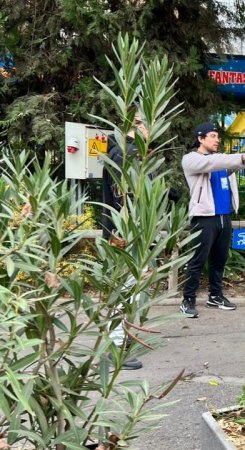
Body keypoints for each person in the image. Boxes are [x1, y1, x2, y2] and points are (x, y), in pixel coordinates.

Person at [181, 122, 245, 318]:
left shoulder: (221, 162)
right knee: (197, 260)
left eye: (217, 136)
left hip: (224, 216)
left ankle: (215, 296)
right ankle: (188, 300)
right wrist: (238, 158)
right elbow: (217, 162)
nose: (217, 139)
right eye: (212, 136)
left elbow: (244, 161)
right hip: (204, 218)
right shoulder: (192, 160)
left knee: (219, 260)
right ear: (200, 138)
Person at [100, 114, 150, 370]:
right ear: (138, 126)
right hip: (125, 236)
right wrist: (118, 233)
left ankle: (120, 341)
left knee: (131, 291)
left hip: (132, 234)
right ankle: (114, 348)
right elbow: (123, 199)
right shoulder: (124, 155)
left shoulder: (129, 155)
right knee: (124, 293)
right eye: (146, 125)